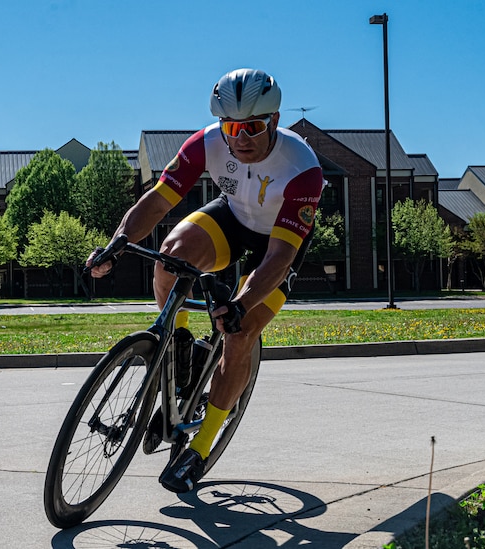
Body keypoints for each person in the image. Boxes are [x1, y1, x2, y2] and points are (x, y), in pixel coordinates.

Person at [88, 68, 324, 493]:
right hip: (233, 217)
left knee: (243, 329)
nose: (241, 138)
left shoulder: (302, 168)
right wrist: (116, 243)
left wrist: (240, 303)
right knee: (168, 260)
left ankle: (202, 444)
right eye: (231, 127)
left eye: (252, 127)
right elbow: (157, 200)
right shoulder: (206, 143)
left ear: (274, 120)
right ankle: (178, 351)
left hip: (278, 241)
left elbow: (280, 255)